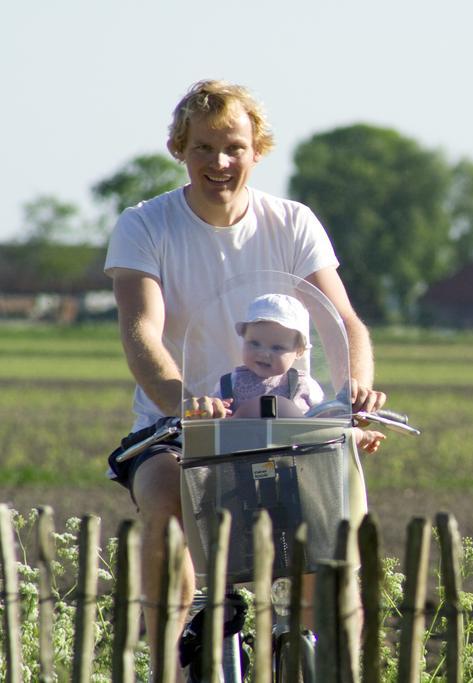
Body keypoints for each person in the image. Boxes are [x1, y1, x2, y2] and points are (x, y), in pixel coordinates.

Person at [104, 79, 386, 666]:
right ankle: (165, 668)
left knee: (333, 537)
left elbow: (346, 326)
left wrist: (350, 395)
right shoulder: (145, 225)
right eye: (203, 147)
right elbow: (141, 331)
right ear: (179, 148)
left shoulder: (293, 223)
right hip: (184, 426)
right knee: (162, 494)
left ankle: (328, 664)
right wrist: (181, 399)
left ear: (257, 149)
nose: (220, 161)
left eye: (233, 146)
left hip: (288, 425)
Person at [211, 292, 386, 452]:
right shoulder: (230, 383)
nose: (263, 353)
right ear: (243, 338)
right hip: (238, 461)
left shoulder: (303, 385)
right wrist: (209, 410)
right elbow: (209, 420)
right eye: (254, 343)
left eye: (277, 347)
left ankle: (360, 437)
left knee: (333, 432)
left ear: (299, 351)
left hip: (294, 462)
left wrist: (352, 423)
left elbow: (327, 421)